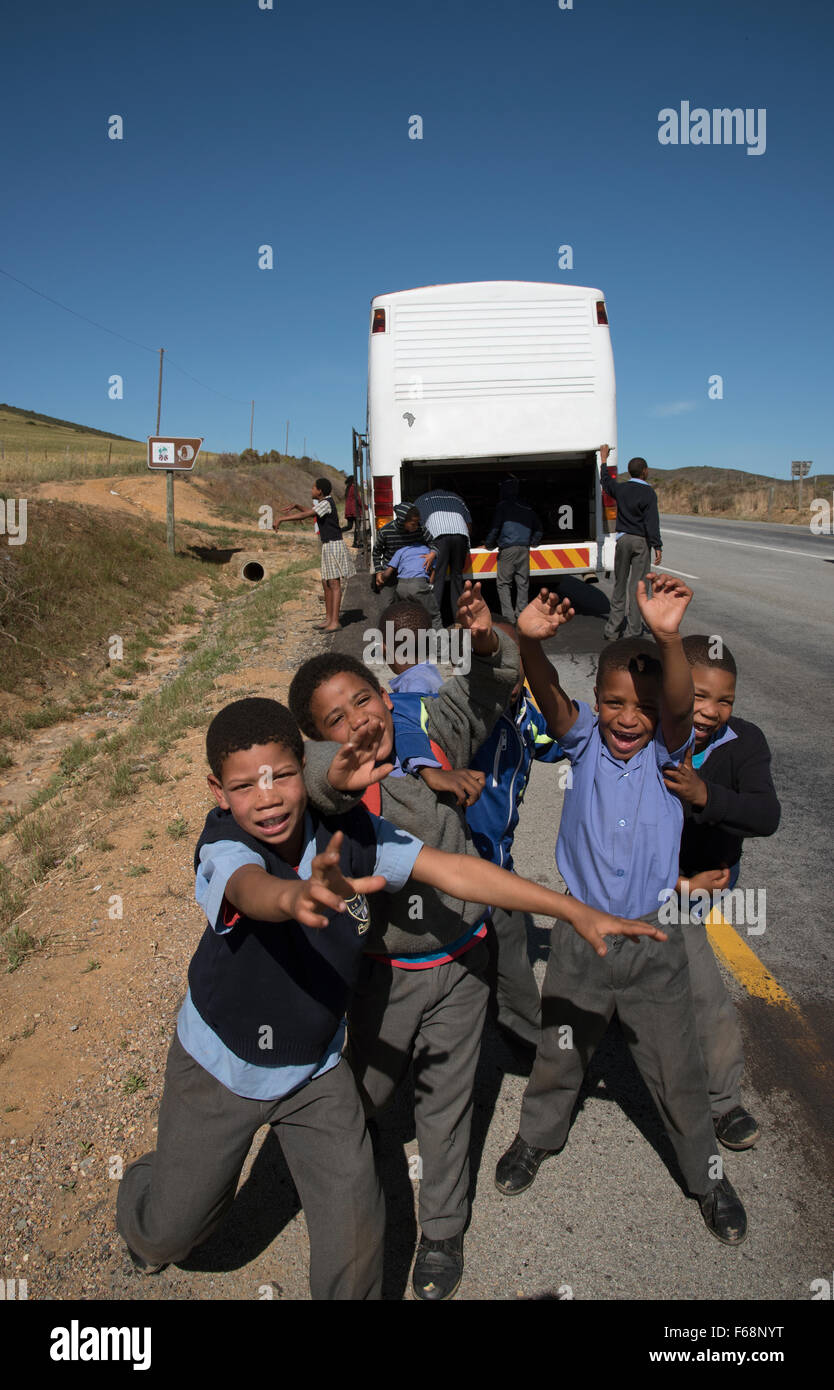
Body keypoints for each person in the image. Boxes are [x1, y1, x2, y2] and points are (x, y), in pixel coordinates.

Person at [289, 584, 666, 1300]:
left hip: (461, 967)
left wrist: (499, 640)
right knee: (356, 1100)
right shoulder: (326, 788)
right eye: (334, 720)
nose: (357, 722)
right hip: (381, 981)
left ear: (384, 692)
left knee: (446, 1108)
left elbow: (489, 689)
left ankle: (441, 1233)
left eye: (363, 701)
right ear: (317, 738)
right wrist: (333, 773)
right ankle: (334, 1191)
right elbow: (317, 784)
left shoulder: (426, 729)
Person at [495, 576, 749, 1245]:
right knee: (561, 1052)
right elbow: (550, 698)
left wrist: (667, 634)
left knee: (676, 1068)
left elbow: (675, 701)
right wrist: (527, 641)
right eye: (612, 702)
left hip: (653, 940)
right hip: (582, 935)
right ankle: (536, 1139)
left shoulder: (670, 750)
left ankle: (707, 1175)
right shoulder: (582, 743)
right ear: (597, 701)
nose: (627, 718)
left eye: (638, 706)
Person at [388, 620, 566, 1050]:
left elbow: (561, 739)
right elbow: (406, 717)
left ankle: (526, 1037)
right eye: (486, 661)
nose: (502, 672)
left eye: (513, 661)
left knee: (511, 961)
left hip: (498, 868)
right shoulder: (453, 711)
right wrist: (431, 769)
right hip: (451, 872)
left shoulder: (525, 715)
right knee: (433, 968)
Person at [661, 633, 781, 1151]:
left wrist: (704, 794)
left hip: (703, 880)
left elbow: (765, 815)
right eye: (699, 696)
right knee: (673, 972)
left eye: (724, 700)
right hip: (649, 877)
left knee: (700, 988)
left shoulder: (745, 742)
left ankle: (722, 1100)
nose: (710, 711)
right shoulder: (650, 731)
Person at [274, 477, 354, 632]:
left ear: (320, 491)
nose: (311, 490)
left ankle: (335, 622)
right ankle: (329, 619)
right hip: (328, 545)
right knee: (326, 583)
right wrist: (298, 506)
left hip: (333, 545)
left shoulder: (326, 503)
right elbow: (312, 514)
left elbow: (307, 515)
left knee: (334, 584)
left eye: (313, 488)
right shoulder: (324, 504)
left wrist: (282, 519)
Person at [600, 444, 663, 641]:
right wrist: (657, 546)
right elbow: (652, 522)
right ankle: (633, 630)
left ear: (630, 472)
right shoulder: (649, 494)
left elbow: (606, 482)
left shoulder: (621, 488)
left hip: (623, 540)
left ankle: (612, 629)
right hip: (640, 542)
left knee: (619, 584)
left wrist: (603, 460)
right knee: (639, 587)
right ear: (645, 472)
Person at [484, 479, 543, 622]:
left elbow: (496, 528)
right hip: (524, 548)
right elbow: (539, 528)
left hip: (508, 549)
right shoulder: (527, 507)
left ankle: (508, 617)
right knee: (523, 582)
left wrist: (489, 544)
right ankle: (521, 613)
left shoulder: (502, 506)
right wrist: (533, 542)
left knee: (504, 583)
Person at [414, 485, 472, 620]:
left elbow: (417, 526)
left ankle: (434, 620)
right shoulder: (457, 498)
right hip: (461, 535)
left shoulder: (421, 499)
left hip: (439, 536)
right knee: (457, 579)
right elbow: (468, 524)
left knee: (438, 578)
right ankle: (459, 620)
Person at [372, 504, 436, 607]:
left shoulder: (420, 529)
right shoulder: (385, 532)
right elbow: (376, 552)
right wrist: (378, 571)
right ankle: (389, 624)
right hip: (391, 573)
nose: (416, 526)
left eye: (417, 523)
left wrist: (432, 554)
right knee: (388, 607)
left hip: (411, 574)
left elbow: (433, 543)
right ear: (402, 521)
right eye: (412, 524)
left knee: (412, 606)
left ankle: (409, 623)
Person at [377, 538, 443, 629]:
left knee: (409, 616)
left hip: (401, 587)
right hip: (418, 585)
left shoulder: (401, 551)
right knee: (434, 616)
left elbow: (388, 572)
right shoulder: (428, 552)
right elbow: (433, 571)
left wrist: (381, 578)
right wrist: (430, 585)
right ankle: (441, 642)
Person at [343, 475, 363, 548]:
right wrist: (364, 506)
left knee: (349, 526)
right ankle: (355, 543)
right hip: (355, 511)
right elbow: (358, 499)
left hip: (349, 511)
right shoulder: (354, 488)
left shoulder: (348, 488)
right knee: (357, 527)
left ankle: (337, 532)